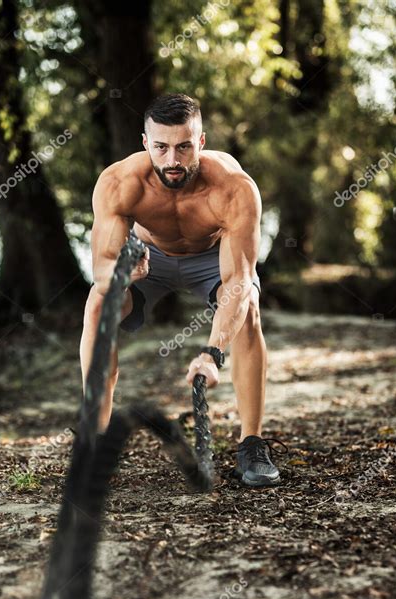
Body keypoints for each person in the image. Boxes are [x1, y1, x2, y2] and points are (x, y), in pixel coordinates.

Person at [80, 93, 281, 487]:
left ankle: (251, 444)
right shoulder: (119, 183)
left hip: (211, 256)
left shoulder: (234, 189)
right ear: (145, 143)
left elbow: (238, 281)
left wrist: (211, 352)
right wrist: (121, 274)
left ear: (201, 143)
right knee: (98, 305)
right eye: (162, 147)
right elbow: (101, 267)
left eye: (184, 147)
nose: (173, 160)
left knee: (250, 308)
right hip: (147, 259)